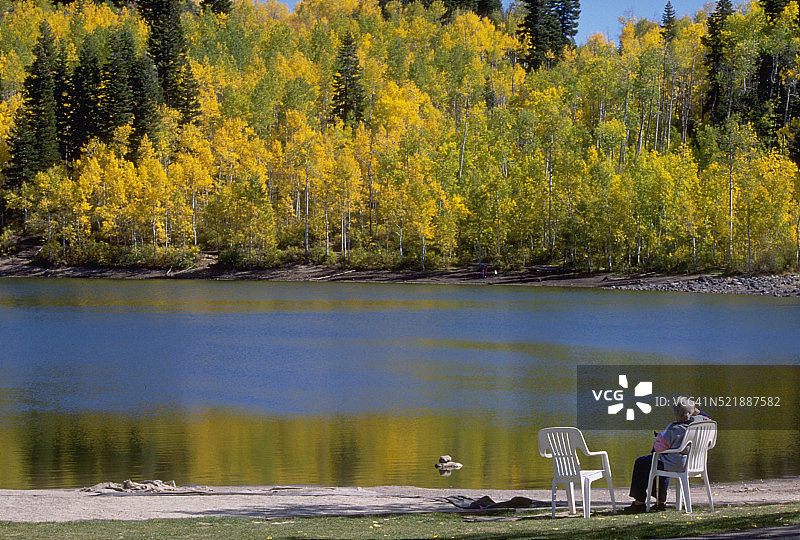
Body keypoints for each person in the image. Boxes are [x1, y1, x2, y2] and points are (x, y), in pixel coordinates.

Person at [625, 396, 711, 512]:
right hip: (694, 463)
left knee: (643, 462)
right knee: (659, 461)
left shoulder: (673, 428)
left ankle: (639, 502)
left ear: (675, 413)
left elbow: (658, 449)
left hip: (677, 464)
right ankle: (661, 501)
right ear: (692, 411)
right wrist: (696, 411)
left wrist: (659, 439)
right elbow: (708, 418)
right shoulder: (700, 422)